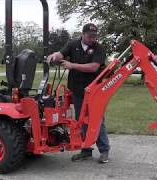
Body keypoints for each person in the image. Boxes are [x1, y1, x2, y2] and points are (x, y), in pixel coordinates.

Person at [47, 23, 110, 163]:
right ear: (83, 34)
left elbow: (94, 67)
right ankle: (86, 150)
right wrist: (54, 56)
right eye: (90, 36)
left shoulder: (99, 48)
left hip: (94, 91)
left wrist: (72, 65)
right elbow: (61, 53)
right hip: (77, 90)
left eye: (95, 36)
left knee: (97, 120)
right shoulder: (73, 44)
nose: (93, 38)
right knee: (81, 121)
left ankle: (104, 151)